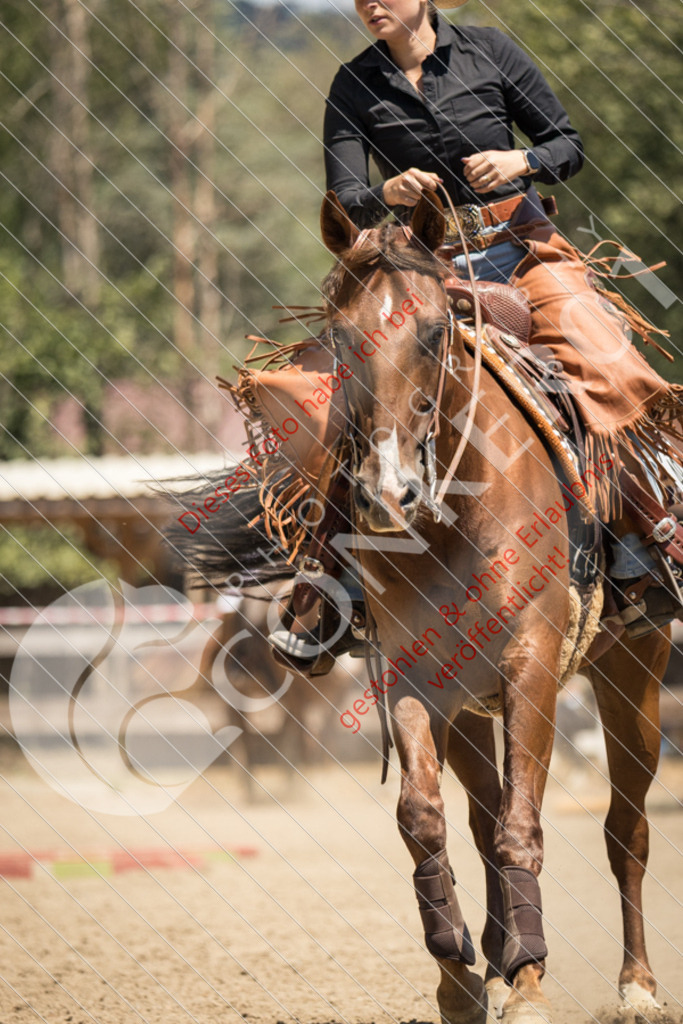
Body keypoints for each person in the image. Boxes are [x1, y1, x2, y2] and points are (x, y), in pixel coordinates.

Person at [269, 0, 683, 662]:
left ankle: (648, 541)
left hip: (521, 249)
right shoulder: (352, 83)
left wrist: (519, 163)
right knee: (337, 394)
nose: (370, 4)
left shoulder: (489, 51)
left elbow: (566, 145)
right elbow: (344, 196)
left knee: (605, 361)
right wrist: (388, 195)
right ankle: (327, 584)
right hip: (417, 268)